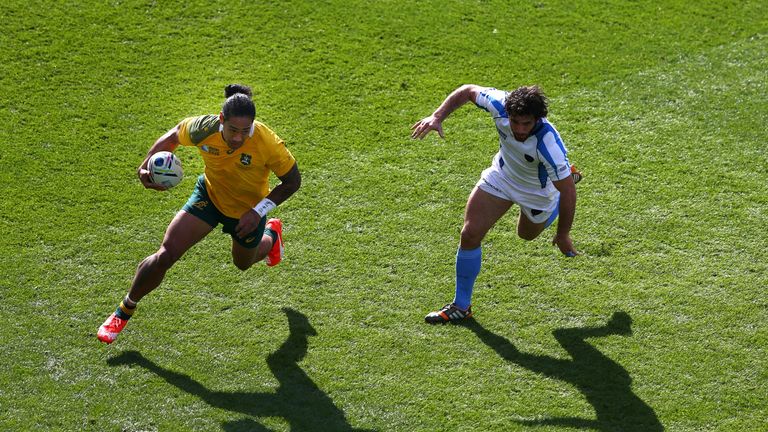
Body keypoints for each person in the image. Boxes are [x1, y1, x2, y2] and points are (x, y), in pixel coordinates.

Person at [97, 84, 301, 344]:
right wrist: (145, 166)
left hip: (247, 212)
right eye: (233, 130)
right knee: (165, 255)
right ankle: (124, 310)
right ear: (221, 120)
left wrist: (258, 211)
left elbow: (293, 182)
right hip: (209, 197)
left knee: (243, 263)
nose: (238, 138)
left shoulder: (268, 143)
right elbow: (172, 137)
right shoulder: (203, 128)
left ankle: (271, 235)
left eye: (245, 131)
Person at [411, 84, 581, 324]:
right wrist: (437, 116)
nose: (520, 130)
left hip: (538, 193)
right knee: (469, 234)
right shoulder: (499, 104)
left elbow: (569, 193)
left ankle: (562, 177)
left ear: (538, 119)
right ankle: (461, 306)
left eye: (527, 124)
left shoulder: (548, 144)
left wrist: (563, 234)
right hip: (502, 176)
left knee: (526, 235)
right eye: (515, 122)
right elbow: (468, 90)